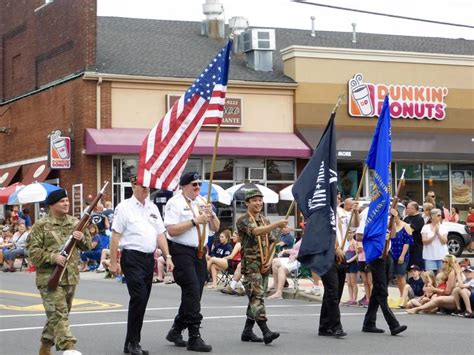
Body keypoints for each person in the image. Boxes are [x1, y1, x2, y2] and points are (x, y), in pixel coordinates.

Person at [109, 175, 173, 355]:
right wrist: (113, 262)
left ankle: (130, 342)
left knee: (142, 301)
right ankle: (133, 342)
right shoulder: (124, 207)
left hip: (148, 259)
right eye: (143, 186)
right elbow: (115, 236)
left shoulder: (153, 207)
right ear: (133, 185)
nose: (147, 189)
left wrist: (168, 256)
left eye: (149, 186)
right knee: (139, 297)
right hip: (132, 258)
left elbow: (160, 234)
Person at [26, 188, 92, 355]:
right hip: (49, 279)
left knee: (58, 315)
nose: (66, 204)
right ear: (52, 205)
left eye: (67, 201)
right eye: (62, 201)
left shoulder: (75, 222)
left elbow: (88, 246)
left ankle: (45, 347)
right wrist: (53, 257)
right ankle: (69, 348)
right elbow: (32, 253)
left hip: (70, 277)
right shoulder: (41, 226)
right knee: (59, 314)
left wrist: (81, 237)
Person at [164, 172, 219, 352]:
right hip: (181, 251)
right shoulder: (175, 203)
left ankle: (176, 329)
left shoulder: (202, 201)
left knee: (194, 294)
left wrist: (211, 215)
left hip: (200, 253)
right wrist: (195, 221)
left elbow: (216, 228)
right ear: (184, 186)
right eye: (194, 185)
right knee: (192, 290)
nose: (197, 188)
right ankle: (194, 336)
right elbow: (171, 230)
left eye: (199, 185)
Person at [237, 189, 287, 345]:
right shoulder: (243, 220)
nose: (258, 203)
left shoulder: (265, 220)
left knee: (256, 297)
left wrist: (269, 261)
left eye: (260, 200)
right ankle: (266, 331)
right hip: (251, 266)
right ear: (247, 203)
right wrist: (276, 225)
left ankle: (247, 331)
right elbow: (256, 232)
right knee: (257, 297)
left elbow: (272, 241)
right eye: (254, 200)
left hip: (264, 264)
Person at [359, 206, 407, 335]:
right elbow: (359, 235)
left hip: (387, 255)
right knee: (381, 291)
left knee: (377, 291)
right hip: (376, 254)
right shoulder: (368, 213)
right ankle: (393, 325)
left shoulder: (386, 213)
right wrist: (377, 235)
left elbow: (393, 235)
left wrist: (394, 218)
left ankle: (369, 323)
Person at [388, 208, 413, 299]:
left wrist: (402, 255)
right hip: (392, 253)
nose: (393, 219)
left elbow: (407, 242)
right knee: (392, 276)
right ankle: (400, 295)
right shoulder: (391, 226)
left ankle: (404, 296)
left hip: (402, 253)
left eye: (395, 217)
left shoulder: (406, 226)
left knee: (401, 275)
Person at [403, 201, 425, 270]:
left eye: (408, 208)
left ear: (413, 209)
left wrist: (406, 227)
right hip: (407, 246)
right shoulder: (406, 218)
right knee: (408, 268)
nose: (406, 210)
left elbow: (410, 230)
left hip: (416, 247)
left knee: (416, 268)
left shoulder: (419, 219)